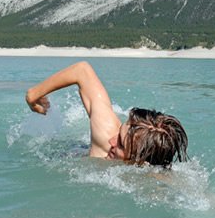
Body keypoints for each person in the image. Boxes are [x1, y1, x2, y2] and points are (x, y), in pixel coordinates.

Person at [25, 61, 188, 168]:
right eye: (120, 132)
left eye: (121, 145)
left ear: (140, 162)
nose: (112, 140)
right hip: (69, 155)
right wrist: (34, 95)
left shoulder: (153, 178)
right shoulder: (106, 136)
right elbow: (82, 71)